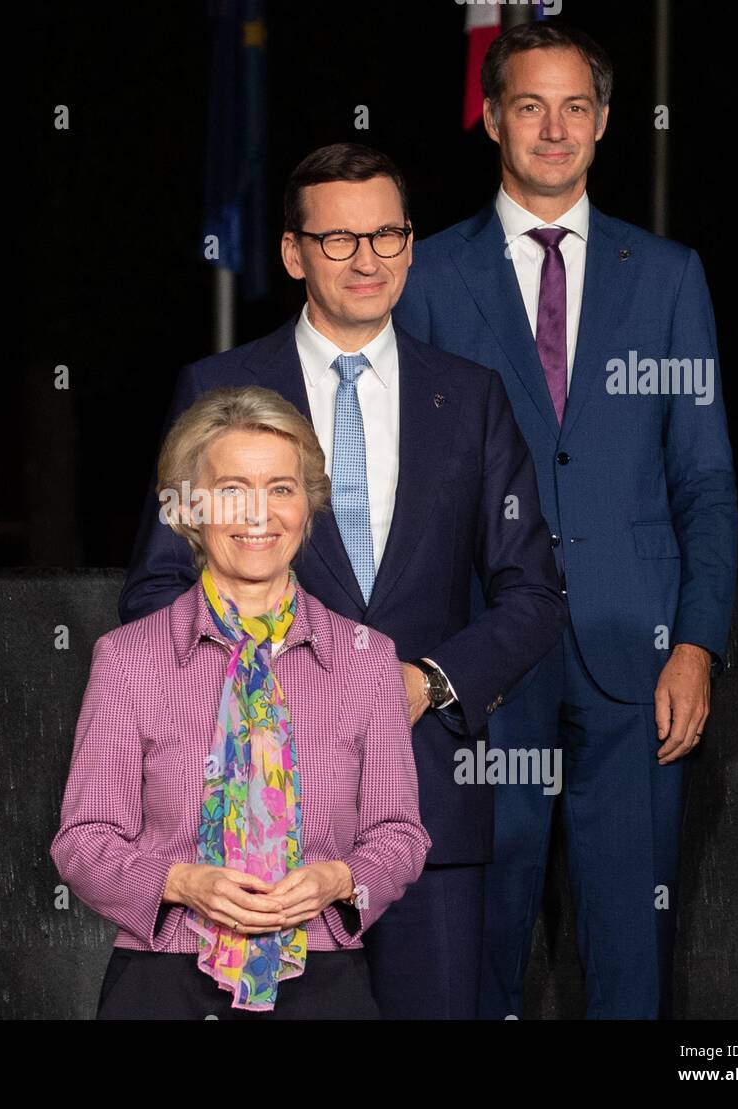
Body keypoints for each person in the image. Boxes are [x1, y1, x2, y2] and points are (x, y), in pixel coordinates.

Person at [117, 144, 567, 1018]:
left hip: (429, 807)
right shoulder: (219, 386)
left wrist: (427, 682)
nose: (368, 260)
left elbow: (535, 592)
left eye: (388, 235)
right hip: (256, 830)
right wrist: (260, 686)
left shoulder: (469, 397)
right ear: (293, 253)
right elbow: (156, 590)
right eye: (339, 241)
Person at [394, 23, 738, 1019]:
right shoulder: (427, 276)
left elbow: (706, 480)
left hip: (640, 654)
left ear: (601, 122)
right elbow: (404, 486)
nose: (554, 127)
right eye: (531, 105)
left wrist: (699, 644)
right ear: (493, 117)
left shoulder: (669, 275)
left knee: (632, 943)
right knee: (475, 937)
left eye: (575, 106)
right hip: (478, 660)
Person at [52, 386, 429, 1019]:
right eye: (232, 489)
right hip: (163, 976)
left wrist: (336, 881)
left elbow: (399, 836)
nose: (260, 513)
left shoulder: (367, 660)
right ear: (189, 509)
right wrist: (180, 883)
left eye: (282, 488)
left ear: (308, 507)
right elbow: (84, 843)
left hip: (325, 977)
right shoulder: (128, 660)